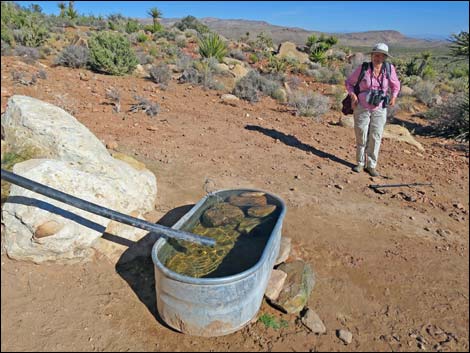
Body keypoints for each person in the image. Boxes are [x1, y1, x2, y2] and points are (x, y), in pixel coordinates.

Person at [345, 43, 401, 177]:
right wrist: (353, 96)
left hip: (380, 107)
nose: (378, 58)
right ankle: (360, 162)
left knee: (376, 135)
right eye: (376, 55)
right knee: (361, 133)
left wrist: (393, 96)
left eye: (381, 56)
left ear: (385, 57)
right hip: (362, 105)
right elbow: (349, 83)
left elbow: (396, 85)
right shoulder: (363, 68)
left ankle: (371, 165)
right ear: (372, 55)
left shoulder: (389, 69)